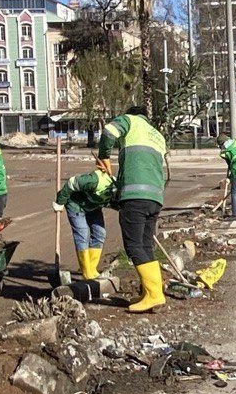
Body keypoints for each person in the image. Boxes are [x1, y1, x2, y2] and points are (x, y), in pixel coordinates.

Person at [97, 106, 168, 313]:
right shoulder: (157, 135)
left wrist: (104, 157)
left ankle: (154, 295)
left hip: (135, 196)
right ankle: (152, 293)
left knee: (134, 246)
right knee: (146, 246)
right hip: (154, 197)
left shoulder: (130, 121)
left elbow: (109, 132)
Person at [53, 167, 115, 279]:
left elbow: (121, 206)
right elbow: (72, 182)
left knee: (100, 233)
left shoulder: (119, 194)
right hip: (75, 205)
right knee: (82, 235)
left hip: (94, 206)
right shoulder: (95, 181)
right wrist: (60, 202)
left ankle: (92, 269)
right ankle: (87, 273)